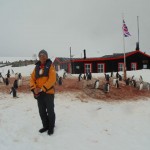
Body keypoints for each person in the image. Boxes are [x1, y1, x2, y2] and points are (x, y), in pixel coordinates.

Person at [30, 49, 56, 135]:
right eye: (40, 56)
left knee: (50, 110)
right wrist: (34, 88)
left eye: (44, 55)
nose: (42, 57)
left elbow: (52, 79)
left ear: (47, 57)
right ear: (39, 57)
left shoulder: (50, 66)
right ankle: (45, 126)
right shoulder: (36, 67)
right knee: (42, 111)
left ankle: (51, 127)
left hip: (48, 92)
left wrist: (42, 88)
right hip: (39, 94)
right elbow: (32, 79)